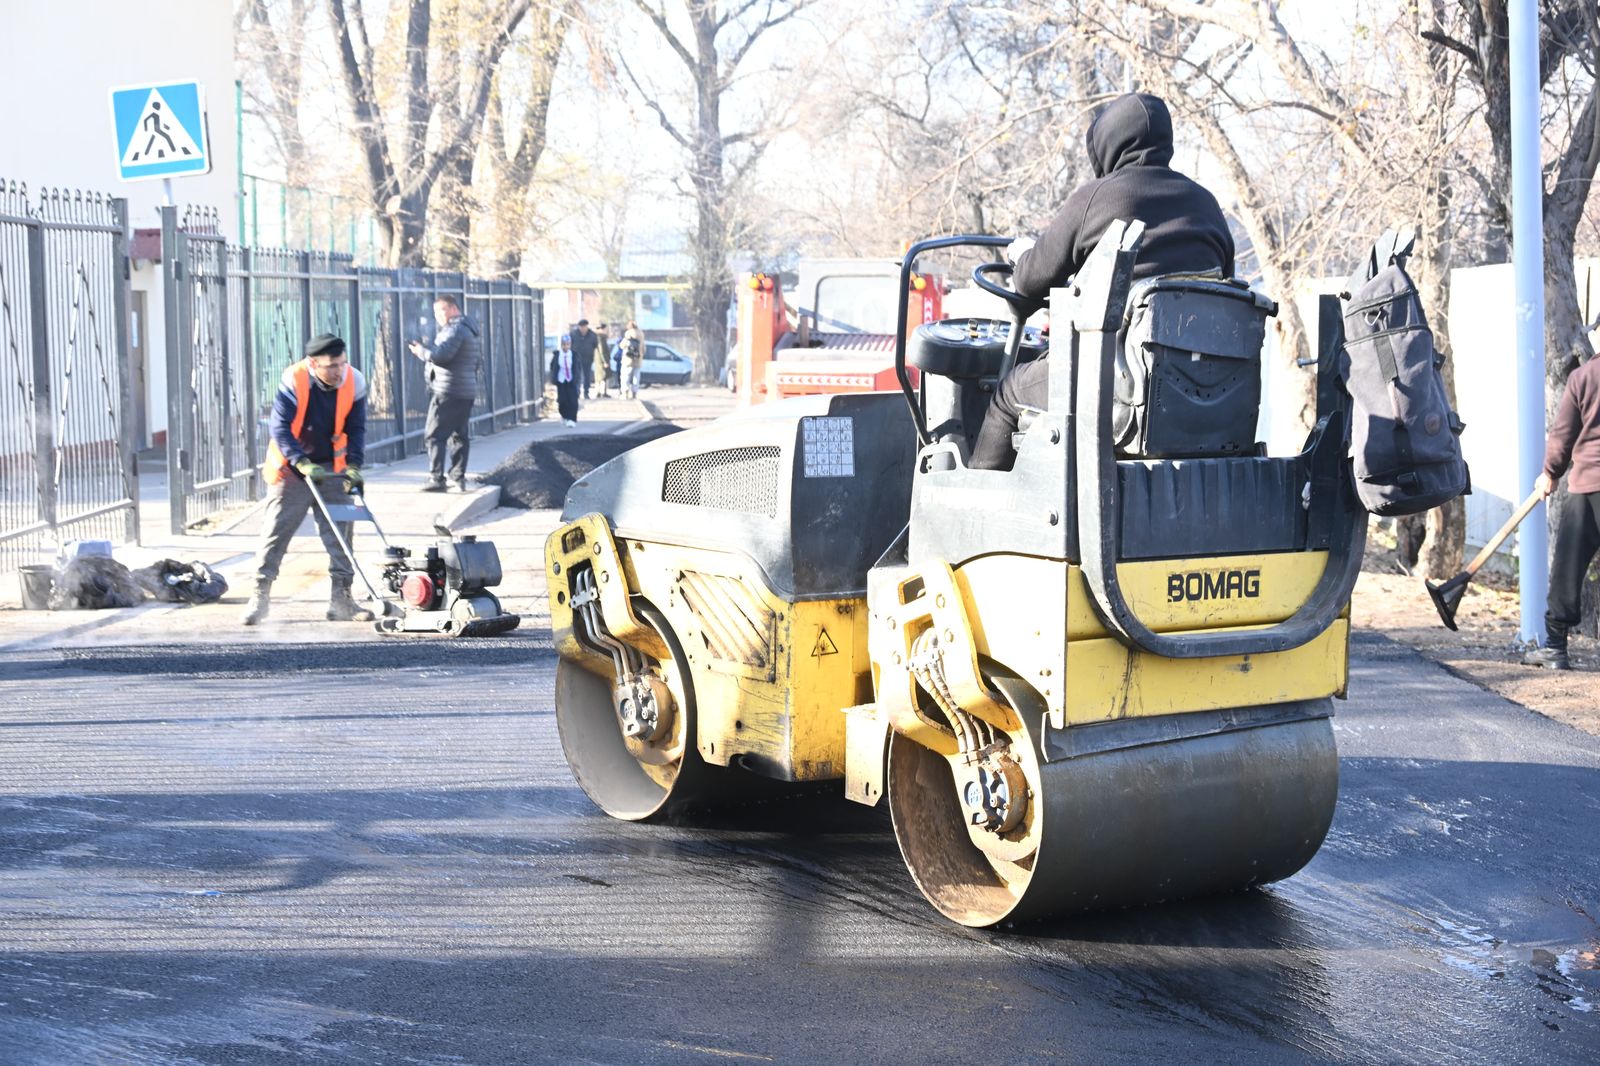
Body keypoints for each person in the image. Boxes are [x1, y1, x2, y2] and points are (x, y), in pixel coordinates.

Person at [968, 92, 1235, 471]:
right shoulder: (1207, 205)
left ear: (1109, 144)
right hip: (1200, 396)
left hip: (1112, 387)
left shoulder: (1097, 197)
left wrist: (1022, 254)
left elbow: (1028, 282)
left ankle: (981, 513)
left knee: (1009, 392)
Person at [241, 334, 374, 626]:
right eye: (331, 366)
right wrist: (300, 461)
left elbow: (357, 427)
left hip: (333, 469)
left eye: (342, 363)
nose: (339, 371)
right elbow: (280, 427)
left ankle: (342, 601)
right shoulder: (294, 379)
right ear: (314, 364)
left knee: (341, 534)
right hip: (292, 471)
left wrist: (354, 466)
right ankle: (259, 596)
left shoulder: (355, 381)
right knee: (276, 533)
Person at [1521, 354, 1600, 670]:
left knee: (1567, 569)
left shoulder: (1584, 376)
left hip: (1588, 485)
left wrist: (1550, 472)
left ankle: (1555, 648)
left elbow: (1563, 433)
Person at [407, 294, 480, 492]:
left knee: (434, 435)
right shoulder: (469, 330)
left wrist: (421, 352)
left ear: (453, 309)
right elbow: (475, 362)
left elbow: (441, 356)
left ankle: (437, 478)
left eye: (441, 311)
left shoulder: (454, 329)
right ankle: (458, 476)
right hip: (465, 390)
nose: (438, 316)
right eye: (435, 313)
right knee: (458, 435)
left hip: (448, 390)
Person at [550, 334, 581, 427]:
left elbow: (577, 368)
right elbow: (553, 367)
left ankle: (572, 419)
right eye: (564, 344)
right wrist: (554, 378)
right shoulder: (557, 355)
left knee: (573, 401)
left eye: (568, 344)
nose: (566, 346)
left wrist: (577, 378)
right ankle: (564, 416)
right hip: (561, 380)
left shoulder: (574, 355)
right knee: (562, 401)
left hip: (571, 380)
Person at [573, 319, 605, 399]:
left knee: (587, 376)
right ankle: (577, 393)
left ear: (587, 326)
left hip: (588, 358)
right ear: (579, 327)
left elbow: (595, 345)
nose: (583, 329)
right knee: (577, 376)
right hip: (576, 358)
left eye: (584, 327)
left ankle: (586, 393)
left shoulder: (592, 335)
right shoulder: (574, 334)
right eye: (581, 327)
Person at [622, 320, 646, 399]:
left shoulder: (628, 333)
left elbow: (622, 345)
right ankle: (634, 394)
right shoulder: (641, 334)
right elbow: (643, 348)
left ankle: (625, 393)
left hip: (628, 359)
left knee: (626, 376)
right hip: (638, 359)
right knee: (636, 377)